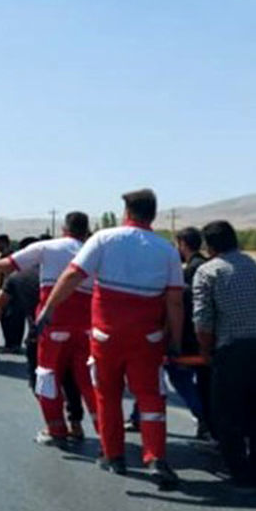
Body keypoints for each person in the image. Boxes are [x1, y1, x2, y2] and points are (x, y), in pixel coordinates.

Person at [37, 189, 184, 489]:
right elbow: (175, 303)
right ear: (153, 215)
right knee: (151, 397)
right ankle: (155, 457)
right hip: (148, 338)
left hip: (106, 336)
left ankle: (113, 455)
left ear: (126, 213)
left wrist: (49, 309)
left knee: (107, 395)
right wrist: (176, 341)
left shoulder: (104, 239)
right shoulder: (166, 250)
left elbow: (72, 275)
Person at [0, 213, 97, 446]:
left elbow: (9, 263)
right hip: (86, 329)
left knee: (47, 377)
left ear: (63, 228)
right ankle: (108, 439)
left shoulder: (47, 247)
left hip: (53, 325)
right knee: (88, 383)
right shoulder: (94, 251)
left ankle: (55, 430)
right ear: (86, 230)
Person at [192, 221, 256, 492]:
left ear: (209, 247)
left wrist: (207, 352)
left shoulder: (208, 272)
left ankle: (240, 474)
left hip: (232, 351)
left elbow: (203, 322)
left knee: (227, 415)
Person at [127, 226, 209, 440]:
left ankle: (205, 419)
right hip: (193, 337)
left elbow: (178, 305)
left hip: (181, 337)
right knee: (159, 377)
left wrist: (171, 337)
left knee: (174, 377)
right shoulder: (198, 267)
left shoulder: (190, 271)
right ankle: (137, 417)